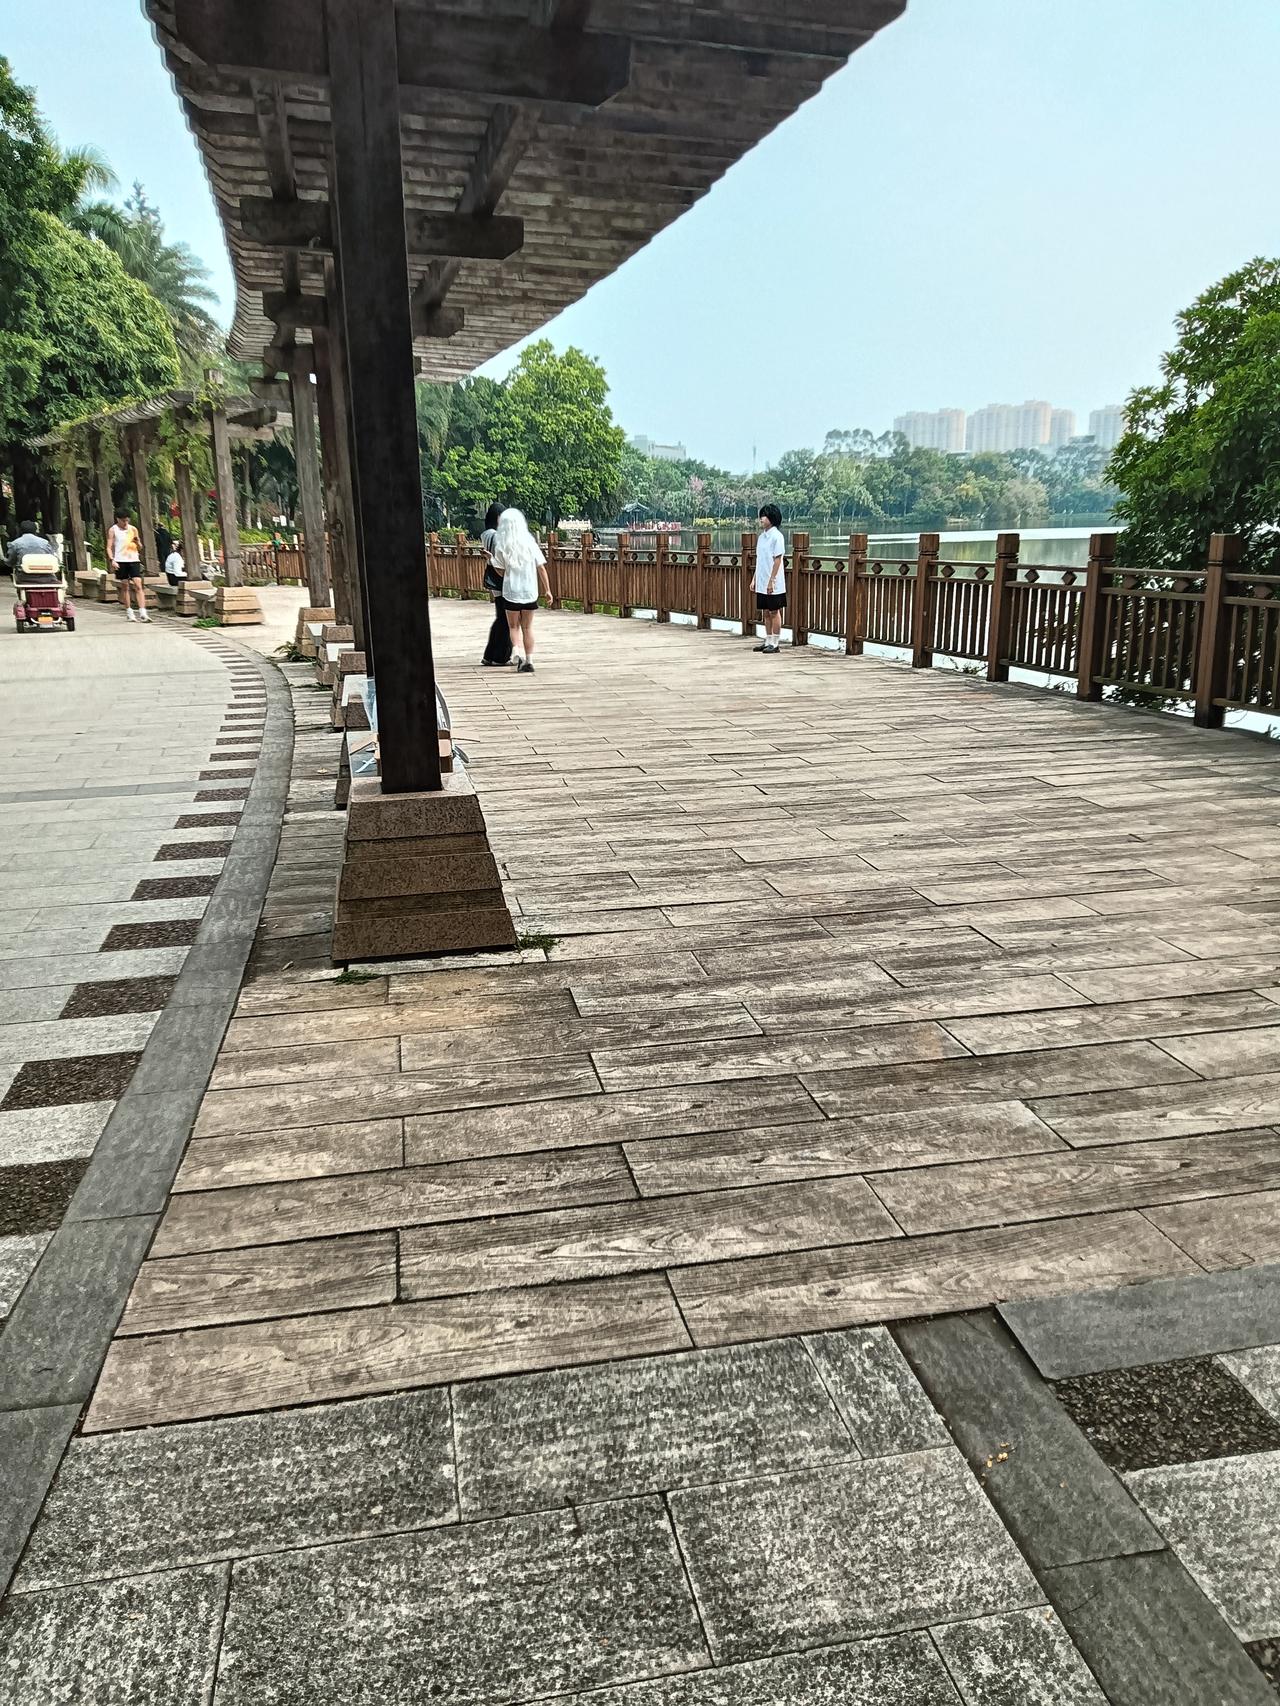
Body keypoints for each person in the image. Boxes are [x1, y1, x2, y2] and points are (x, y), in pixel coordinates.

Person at [494, 507, 551, 674]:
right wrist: (547, 590)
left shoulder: (502, 545)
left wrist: (490, 561)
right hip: (529, 591)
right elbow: (541, 568)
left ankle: (516, 652)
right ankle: (530, 660)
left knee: (513, 626)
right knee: (527, 627)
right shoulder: (530, 543)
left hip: (511, 591)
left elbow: (500, 571)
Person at [479, 502, 511, 667]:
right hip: (502, 579)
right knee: (505, 620)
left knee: (501, 618)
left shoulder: (486, 534)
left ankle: (491, 655)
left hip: (495, 582)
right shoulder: (497, 536)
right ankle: (499, 656)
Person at [753, 503, 786, 654]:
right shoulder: (761, 537)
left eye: (764, 516)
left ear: (772, 518)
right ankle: (768, 640)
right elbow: (760, 560)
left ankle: (776, 643)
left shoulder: (777, 537)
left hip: (773, 581)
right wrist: (754, 579)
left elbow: (777, 559)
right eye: (761, 516)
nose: (761, 519)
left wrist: (772, 580)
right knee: (765, 612)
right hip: (762, 580)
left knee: (774, 611)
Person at [107, 508, 150, 622]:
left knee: (138, 584)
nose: (125, 523)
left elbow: (140, 547)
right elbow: (109, 547)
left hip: (134, 559)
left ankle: (143, 612)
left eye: (127, 520)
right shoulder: (113, 530)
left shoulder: (133, 529)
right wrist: (112, 560)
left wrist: (138, 542)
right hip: (120, 560)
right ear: (118, 519)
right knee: (125, 586)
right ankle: (129, 611)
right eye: (123, 520)